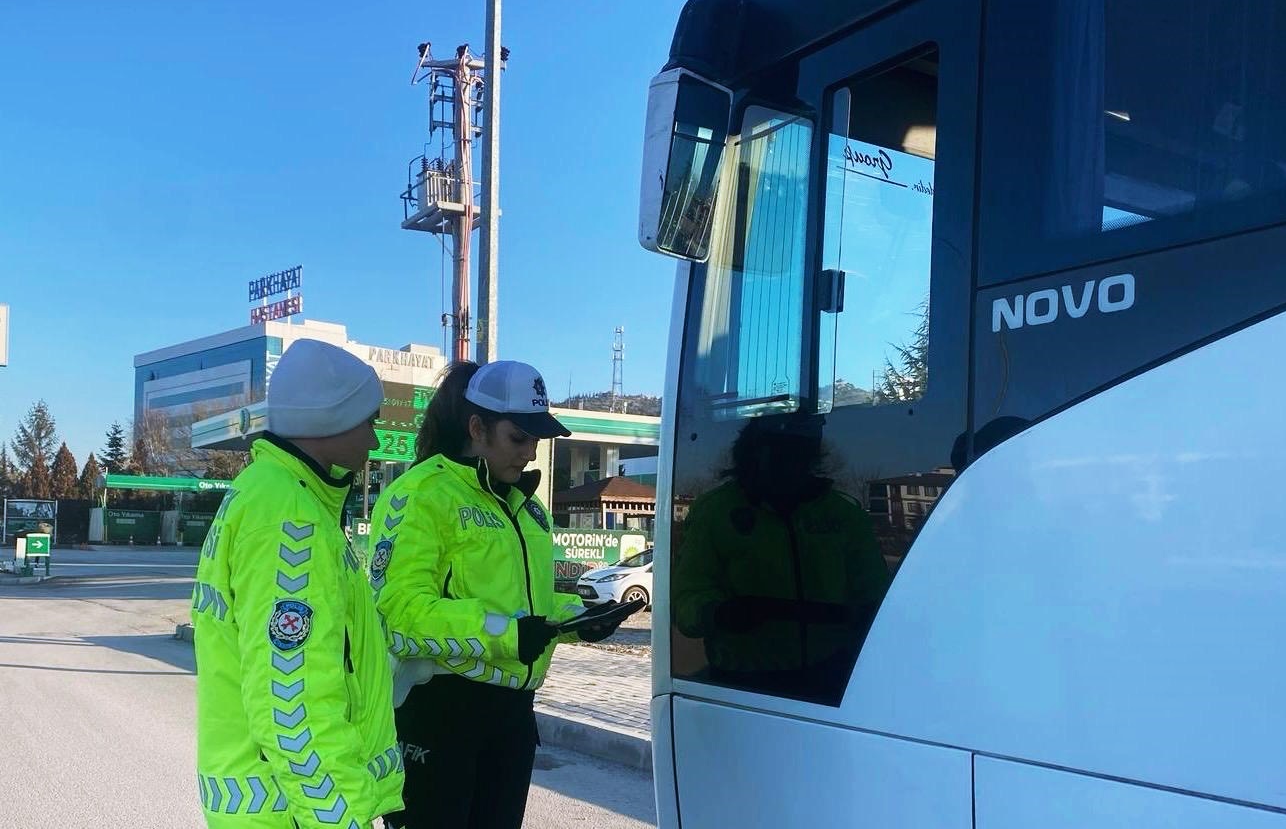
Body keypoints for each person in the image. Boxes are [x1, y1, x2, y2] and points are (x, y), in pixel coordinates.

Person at [371, 359, 631, 829]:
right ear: (477, 427)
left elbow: (532, 606)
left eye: (536, 440)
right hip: (440, 716)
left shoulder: (526, 509)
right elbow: (396, 613)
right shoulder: (421, 494)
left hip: (511, 718)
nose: (530, 453)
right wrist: (506, 635)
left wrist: (583, 617)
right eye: (518, 438)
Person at [191, 338, 404, 827]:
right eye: (368, 422)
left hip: (276, 805)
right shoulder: (290, 517)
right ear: (330, 420)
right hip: (293, 811)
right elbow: (293, 704)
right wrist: (342, 818)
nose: (373, 442)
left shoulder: (273, 495)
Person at [672, 412, 890, 705]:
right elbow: (687, 597)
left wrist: (861, 619)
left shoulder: (843, 515)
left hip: (834, 679)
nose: (789, 464)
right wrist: (718, 612)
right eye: (778, 452)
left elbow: (876, 596)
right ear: (752, 455)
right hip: (741, 684)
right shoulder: (716, 513)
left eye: (799, 453)